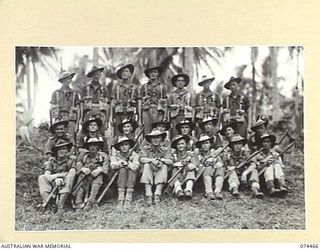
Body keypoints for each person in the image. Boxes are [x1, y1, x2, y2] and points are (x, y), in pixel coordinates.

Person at [38, 139, 76, 212]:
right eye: (59, 149)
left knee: (69, 176)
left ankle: (60, 204)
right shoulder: (52, 161)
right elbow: (47, 174)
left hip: (66, 184)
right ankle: (48, 203)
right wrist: (56, 178)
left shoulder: (70, 161)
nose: (61, 151)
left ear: (67, 150)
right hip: (54, 182)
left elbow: (72, 172)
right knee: (42, 177)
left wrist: (62, 177)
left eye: (64, 149)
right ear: (56, 151)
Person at [74, 138, 109, 211]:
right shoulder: (83, 156)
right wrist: (83, 169)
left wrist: (100, 170)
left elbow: (106, 169)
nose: (93, 147)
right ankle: (78, 201)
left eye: (95, 145)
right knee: (81, 176)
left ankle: (90, 201)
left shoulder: (103, 156)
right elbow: (77, 167)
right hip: (85, 177)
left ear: (98, 147)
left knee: (98, 177)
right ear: (88, 147)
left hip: (100, 180)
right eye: (90, 146)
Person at [224, 134, 264, 199]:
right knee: (232, 173)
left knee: (254, 170)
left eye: (239, 144)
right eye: (235, 144)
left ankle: (255, 189)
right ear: (231, 146)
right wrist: (229, 168)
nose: (237, 146)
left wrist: (245, 173)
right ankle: (234, 189)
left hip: (245, 178)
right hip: (234, 177)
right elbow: (223, 166)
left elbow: (253, 164)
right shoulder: (228, 155)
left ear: (242, 145)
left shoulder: (246, 153)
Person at [139, 129, 173, 204]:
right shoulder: (146, 148)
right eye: (153, 138)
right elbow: (141, 159)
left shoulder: (165, 149)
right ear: (150, 139)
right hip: (150, 169)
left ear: (161, 139)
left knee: (164, 166)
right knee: (146, 165)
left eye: (158, 137)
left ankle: (157, 193)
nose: (156, 139)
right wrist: (151, 160)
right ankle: (148, 194)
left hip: (160, 169)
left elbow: (170, 161)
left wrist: (161, 160)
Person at [110, 64, 141, 135]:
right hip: (118, 114)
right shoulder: (116, 87)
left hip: (130, 114)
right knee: (117, 134)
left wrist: (139, 118)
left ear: (130, 74)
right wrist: (111, 118)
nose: (124, 73)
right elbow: (112, 102)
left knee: (130, 134)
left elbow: (138, 103)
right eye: (122, 72)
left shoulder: (134, 88)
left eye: (126, 71)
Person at [110, 136, 140, 209]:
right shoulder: (116, 155)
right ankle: (121, 198)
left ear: (129, 146)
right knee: (123, 169)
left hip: (132, 176)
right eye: (122, 145)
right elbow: (112, 165)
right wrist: (120, 163)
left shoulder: (134, 154)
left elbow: (136, 166)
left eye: (126, 144)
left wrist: (128, 164)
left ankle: (128, 198)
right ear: (119, 147)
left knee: (130, 170)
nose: (124, 147)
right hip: (119, 178)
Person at [50, 70, 80, 136]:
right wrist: (51, 123)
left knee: (71, 139)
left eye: (69, 78)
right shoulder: (56, 93)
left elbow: (78, 110)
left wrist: (77, 124)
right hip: (59, 119)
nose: (68, 80)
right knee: (58, 140)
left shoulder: (74, 93)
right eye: (66, 79)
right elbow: (51, 109)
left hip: (71, 120)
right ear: (62, 80)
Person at [81, 66, 110, 134]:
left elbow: (108, 105)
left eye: (97, 74)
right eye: (94, 74)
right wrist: (81, 118)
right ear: (91, 75)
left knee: (101, 132)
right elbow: (81, 104)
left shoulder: (104, 89)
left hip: (101, 112)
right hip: (89, 112)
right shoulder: (86, 88)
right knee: (87, 132)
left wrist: (107, 120)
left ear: (100, 75)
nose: (96, 76)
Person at [140, 66, 168, 134]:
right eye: (151, 72)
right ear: (148, 74)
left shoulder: (162, 87)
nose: (153, 74)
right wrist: (140, 118)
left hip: (158, 111)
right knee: (147, 130)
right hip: (146, 110)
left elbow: (165, 103)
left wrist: (165, 116)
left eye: (155, 72)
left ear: (158, 74)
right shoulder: (144, 86)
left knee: (157, 130)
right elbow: (140, 102)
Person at [195, 135, 225, 200]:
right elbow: (197, 167)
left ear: (210, 144)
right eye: (203, 144)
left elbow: (220, 164)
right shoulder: (198, 155)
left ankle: (217, 191)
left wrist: (214, 164)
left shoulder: (214, 154)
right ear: (200, 146)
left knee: (220, 169)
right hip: (202, 178)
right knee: (207, 168)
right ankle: (209, 192)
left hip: (214, 175)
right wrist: (205, 164)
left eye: (207, 143)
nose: (205, 145)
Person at [170, 135, 197, 200]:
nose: (180, 146)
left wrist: (187, 164)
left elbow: (195, 166)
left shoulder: (190, 154)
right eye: (178, 144)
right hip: (177, 174)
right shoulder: (174, 155)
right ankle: (178, 190)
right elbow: (170, 164)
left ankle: (188, 189)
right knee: (174, 170)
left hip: (188, 174)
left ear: (186, 145)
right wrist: (178, 164)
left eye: (182, 144)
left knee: (190, 170)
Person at [168, 73, 194, 138]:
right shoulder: (171, 95)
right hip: (175, 117)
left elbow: (193, 108)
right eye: (178, 81)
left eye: (182, 81)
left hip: (186, 116)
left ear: (185, 83)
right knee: (175, 133)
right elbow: (168, 108)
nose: (180, 82)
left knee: (186, 134)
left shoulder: (189, 95)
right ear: (175, 83)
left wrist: (193, 120)